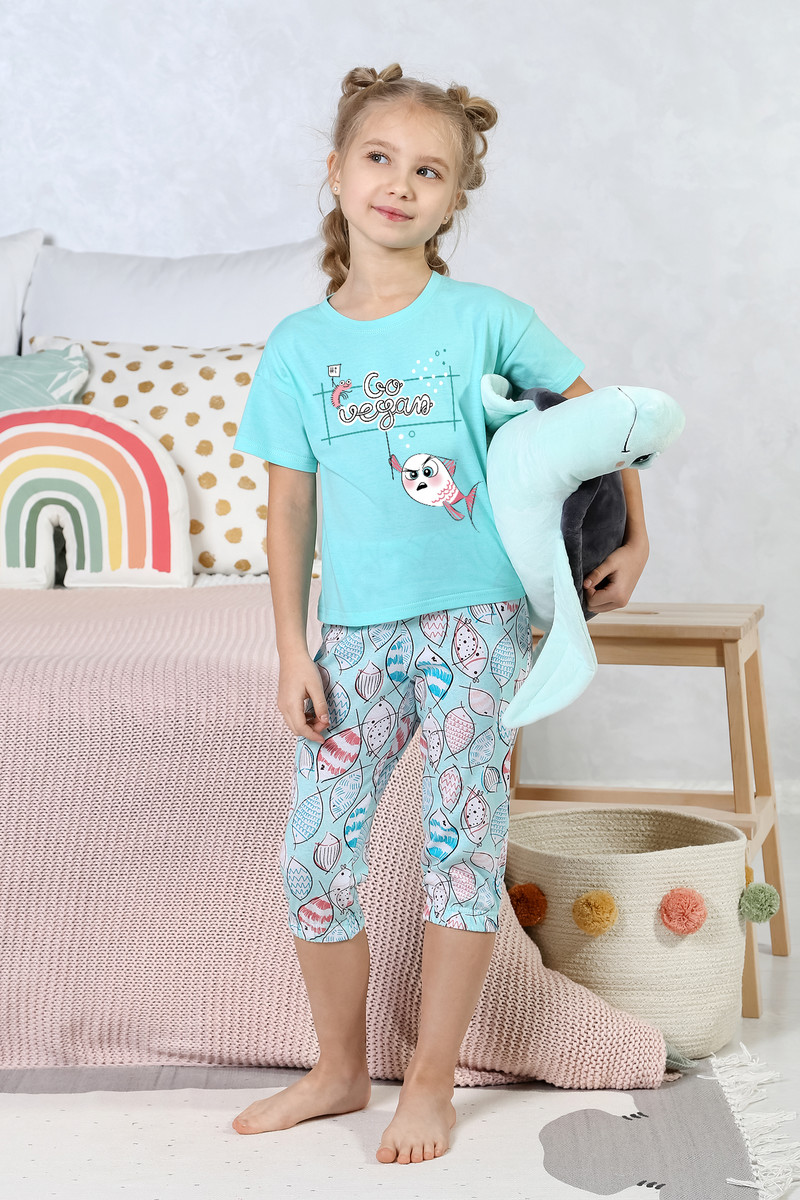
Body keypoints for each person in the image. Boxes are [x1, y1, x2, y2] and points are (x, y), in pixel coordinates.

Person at [229, 63, 650, 1165]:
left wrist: (634, 536)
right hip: (356, 638)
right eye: (380, 159)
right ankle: (336, 1070)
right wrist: (291, 650)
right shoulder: (299, 348)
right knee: (315, 856)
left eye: (428, 172)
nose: (399, 184)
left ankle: (429, 1079)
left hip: (477, 627)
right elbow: (288, 509)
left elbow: (602, 421)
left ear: (453, 199)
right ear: (335, 172)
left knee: (460, 852)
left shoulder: (483, 320)